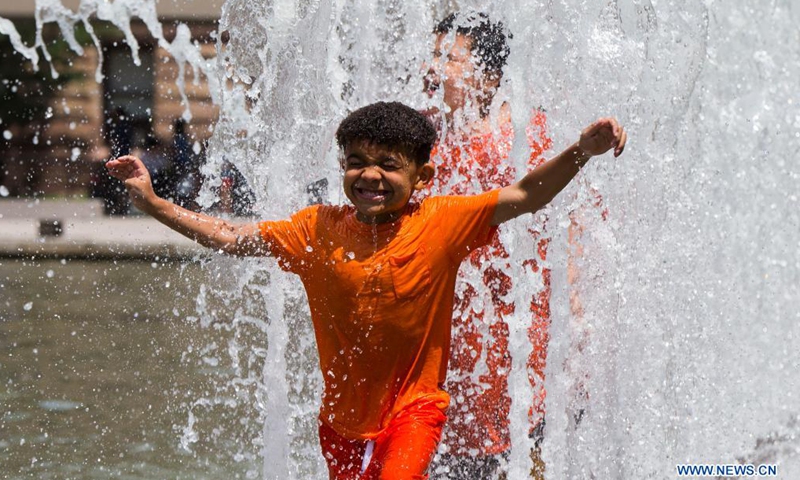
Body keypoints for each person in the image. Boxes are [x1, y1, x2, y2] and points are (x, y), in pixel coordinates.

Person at [106, 101, 626, 479]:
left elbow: (523, 194)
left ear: (423, 175)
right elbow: (232, 236)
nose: (370, 175)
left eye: (389, 165)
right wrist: (154, 205)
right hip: (339, 422)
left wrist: (581, 151)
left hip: (415, 410)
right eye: (357, 161)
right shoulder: (315, 229)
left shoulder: (445, 222)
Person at [422, 12, 551, 479]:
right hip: (437, 351)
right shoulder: (419, 139)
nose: (431, 67)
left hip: (509, 353)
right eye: (432, 54)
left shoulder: (524, 140)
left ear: (489, 75)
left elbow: (569, 235)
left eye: (447, 58)